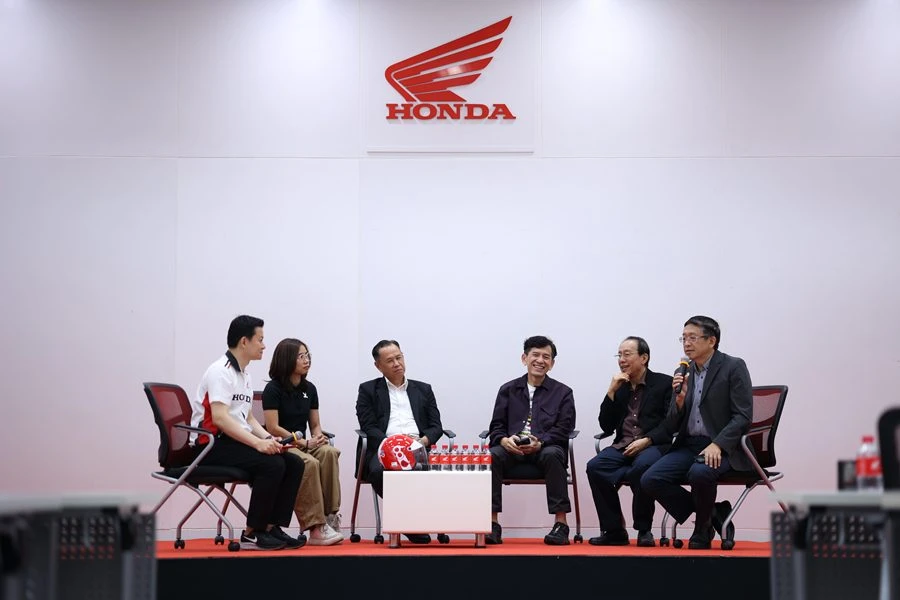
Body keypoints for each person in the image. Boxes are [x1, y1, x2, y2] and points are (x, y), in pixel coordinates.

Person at [191, 315, 305, 551]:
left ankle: (272, 527)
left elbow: (248, 418)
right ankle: (253, 533)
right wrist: (256, 444)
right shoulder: (220, 371)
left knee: (293, 463)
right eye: (260, 339)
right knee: (272, 465)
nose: (264, 345)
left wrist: (268, 439)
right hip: (209, 445)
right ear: (244, 341)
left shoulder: (244, 374)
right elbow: (220, 418)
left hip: (232, 442)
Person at [641, 315, 752, 550]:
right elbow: (671, 424)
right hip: (689, 445)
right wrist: (679, 402)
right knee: (650, 479)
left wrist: (718, 444)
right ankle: (714, 513)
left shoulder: (733, 366)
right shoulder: (683, 372)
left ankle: (702, 529)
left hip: (724, 447)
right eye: (683, 338)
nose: (686, 343)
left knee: (699, 473)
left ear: (711, 341)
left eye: (692, 338)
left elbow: (743, 416)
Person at [485, 335, 576, 546]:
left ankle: (561, 525)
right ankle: (492, 524)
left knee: (553, 454)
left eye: (546, 356)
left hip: (545, 448)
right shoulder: (508, 389)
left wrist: (541, 442)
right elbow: (496, 426)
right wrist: (504, 440)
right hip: (512, 449)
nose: (540, 360)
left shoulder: (563, 392)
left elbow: (564, 428)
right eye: (535, 355)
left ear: (552, 363)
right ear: (524, 358)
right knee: (493, 455)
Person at [585, 336, 673, 547]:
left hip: (652, 445)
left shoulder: (664, 383)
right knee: (595, 467)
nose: (621, 359)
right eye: (619, 355)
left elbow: (671, 423)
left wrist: (647, 440)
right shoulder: (621, 387)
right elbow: (606, 426)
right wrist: (611, 391)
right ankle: (614, 530)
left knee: (641, 467)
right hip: (622, 445)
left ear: (644, 358)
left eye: (627, 354)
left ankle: (644, 529)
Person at [355, 339, 444, 544]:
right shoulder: (367, 390)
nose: (397, 363)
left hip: (417, 447)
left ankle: (413, 522)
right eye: (390, 360)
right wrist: (393, 444)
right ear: (378, 366)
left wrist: (423, 440)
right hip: (385, 448)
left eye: (399, 357)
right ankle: (409, 523)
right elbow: (368, 426)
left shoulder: (424, 389)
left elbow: (436, 426)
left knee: (434, 470)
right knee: (378, 472)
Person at [262, 338, 343, 546]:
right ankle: (315, 526)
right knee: (309, 463)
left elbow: (315, 424)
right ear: (287, 359)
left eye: (308, 355)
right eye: (301, 356)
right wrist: (303, 442)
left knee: (328, 452)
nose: (307, 360)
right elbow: (273, 427)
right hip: (284, 445)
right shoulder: (273, 389)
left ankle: (329, 517)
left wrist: (318, 437)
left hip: (305, 443)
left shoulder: (310, 388)